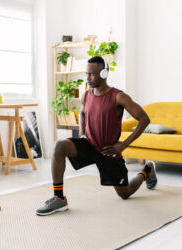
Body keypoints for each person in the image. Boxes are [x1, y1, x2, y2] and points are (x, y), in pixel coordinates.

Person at [36, 56, 157, 216]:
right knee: (60, 146)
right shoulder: (85, 95)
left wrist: (124, 144)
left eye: (91, 74)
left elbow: (144, 119)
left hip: (109, 152)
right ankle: (59, 198)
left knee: (124, 194)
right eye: (86, 74)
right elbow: (83, 112)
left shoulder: (118, 97)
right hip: (89, 146)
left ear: (104, 73)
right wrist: (82, 134)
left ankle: (147, 170)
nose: (87, 78)